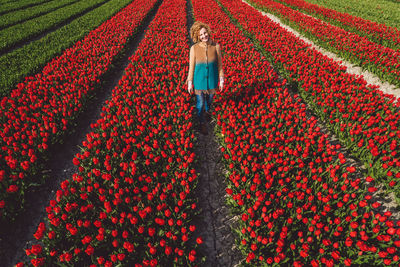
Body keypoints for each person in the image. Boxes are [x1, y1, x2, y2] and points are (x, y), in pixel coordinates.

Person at [187, 21, 224, 135]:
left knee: (210, 100)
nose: (204, 36)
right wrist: (189, 82)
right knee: (200, 103)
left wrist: (221, 80)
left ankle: (208, 111)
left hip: (212, 81)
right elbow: (191, 66)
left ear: (208, 31)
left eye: (205, 33)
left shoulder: (216, 46)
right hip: (199, 81)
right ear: (197, 37)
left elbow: (220, 65)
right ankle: (201, 123)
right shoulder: (194, 48)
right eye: (201, 35)